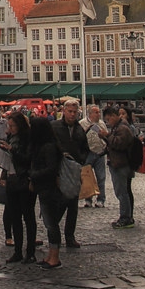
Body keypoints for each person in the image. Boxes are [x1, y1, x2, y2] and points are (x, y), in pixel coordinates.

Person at [27, 116, 65, 269]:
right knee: (49, 223)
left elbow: (51, 169)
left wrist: (33, 175)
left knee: (51, 224)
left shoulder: (48, 147)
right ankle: (51, 254)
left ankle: (55, 257)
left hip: (49, 189)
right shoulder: (45, 145)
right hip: (44, 188)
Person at [0, 111, 37, 264]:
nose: (11, 128)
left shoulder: (28, 138)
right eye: (9, 125)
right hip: (12, 179)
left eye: (13, 125)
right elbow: (9, 159)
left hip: (24, 179)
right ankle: (17, 251)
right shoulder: (11, 137)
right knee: (15, 217)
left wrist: (11, 150)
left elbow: (27, 159)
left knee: (28, 217)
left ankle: (30, 252)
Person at [51, 98, 88, 247]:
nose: (72, 114)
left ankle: (70, 236)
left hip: (74, 169)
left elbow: (85, 149)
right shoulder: (54, 126)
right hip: (59, 169)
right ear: (64, 111)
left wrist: (81, 160)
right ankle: (53, 233)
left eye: (74, 112)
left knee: (73, 205)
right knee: (60, 203)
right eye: (70, 111)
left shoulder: (79, 129)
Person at [102, 106, 134, 228]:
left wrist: (107, 136)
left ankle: (125, 217)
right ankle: (126, 216)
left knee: (122, 192)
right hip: (117, 163)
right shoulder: (118, 127)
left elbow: (119, 144)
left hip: (121, 164)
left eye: (108, 119)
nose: (108, 122)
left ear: (113, 116)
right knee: (122, 192)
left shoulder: (122, 128)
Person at [80, 105, 108, 208]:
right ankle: (88, 199)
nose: (98, 114)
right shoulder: (82, 123)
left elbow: (106, 136)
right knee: (87, 177)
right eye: (96, 112)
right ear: (90, 113)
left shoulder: (101, 123)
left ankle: (101, 199)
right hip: (88, 153)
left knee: (101, 177)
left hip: (100, 153)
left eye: (98, 112)